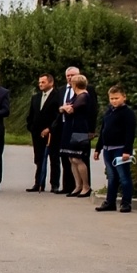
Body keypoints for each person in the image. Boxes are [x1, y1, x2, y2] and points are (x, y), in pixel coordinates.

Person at [94, 85, 136, 213]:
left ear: (124, 97)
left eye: (116, 98)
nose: (114, 101)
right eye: (111, 98)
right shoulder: (109, 112)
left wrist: (127, 151)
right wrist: (98, 148)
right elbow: (103, 131)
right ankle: (110, 202)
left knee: (124, 177)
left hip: (120, 149)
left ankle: (126, 203)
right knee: (111, 177)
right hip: (108, 149)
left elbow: (130, 133)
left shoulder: (128, 113)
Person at [58, 73, 96, 198]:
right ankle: (77, 185)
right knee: (71, 158)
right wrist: (64, 107)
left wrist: (65, 108)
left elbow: (70, 109)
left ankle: (86, 185)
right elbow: (63, 108)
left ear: (75, 84)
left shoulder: (84, 96)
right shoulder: (76, 96)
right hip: (70, 128)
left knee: (77, 158)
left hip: (79, 129)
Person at [25, 73, 62, 192]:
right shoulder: (36, 97)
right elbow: (31, 114)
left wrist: (50, 129)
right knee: (39, 158)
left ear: (51, 83)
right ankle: (39, 183)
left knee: (54, 159)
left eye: (43, 82)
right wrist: (31, 127)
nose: (40, 84)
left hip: (52, 133)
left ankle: (54, 184)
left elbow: (58, 116)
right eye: (39, 82)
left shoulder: (58, 96)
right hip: (37, 133)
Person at [51, 65, 83, 194]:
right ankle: (67, 186)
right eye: (68, 76)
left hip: (78, 127)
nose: (70, 78)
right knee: (66, 157)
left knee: (79, 157)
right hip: (63, 126)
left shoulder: (85, 91)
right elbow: (58, 108)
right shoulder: (61, 90)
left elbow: (91, 111)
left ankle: (83, 186)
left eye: (73, 75)